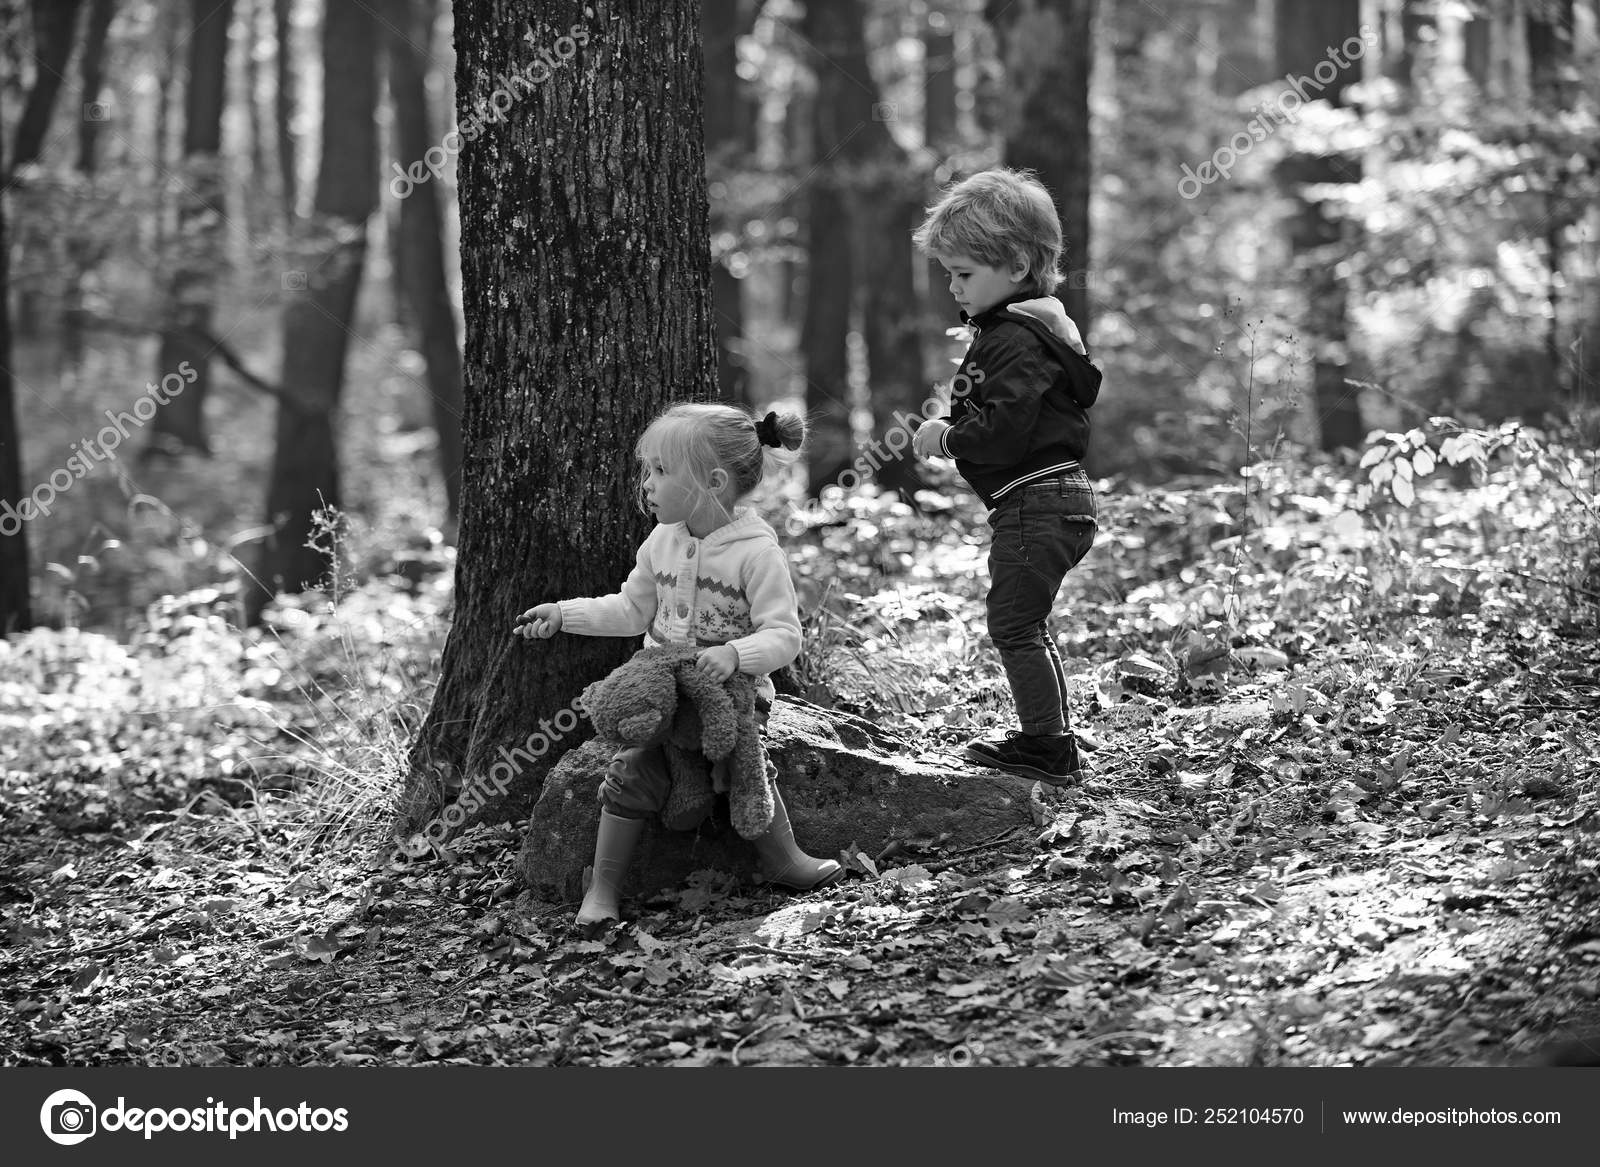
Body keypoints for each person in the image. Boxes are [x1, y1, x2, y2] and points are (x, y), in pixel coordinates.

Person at [516, 403, 842, 927]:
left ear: (713, 482)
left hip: (731, 690)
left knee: (742, 761)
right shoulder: (661, 541)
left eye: (661, 472)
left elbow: (784, 636)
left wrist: (737, 654)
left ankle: (784, 859)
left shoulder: (756, 554)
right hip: (661, 689)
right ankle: (602, 887)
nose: (647, 484)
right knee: (632, 768)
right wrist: (564, 614)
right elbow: (630, 609)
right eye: (648, 470)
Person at [909, 168, 1102, 785]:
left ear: (1016, 265)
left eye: (964, 274)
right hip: (1060, 499)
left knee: (1014, 624)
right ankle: (1053, 735)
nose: (953, 288)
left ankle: (1046, 747)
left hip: (1036, 505)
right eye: (949, 274)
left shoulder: (1013, 339)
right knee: (1026, 623)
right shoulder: (1034, 332)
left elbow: (1007, 429)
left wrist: (948, 437)